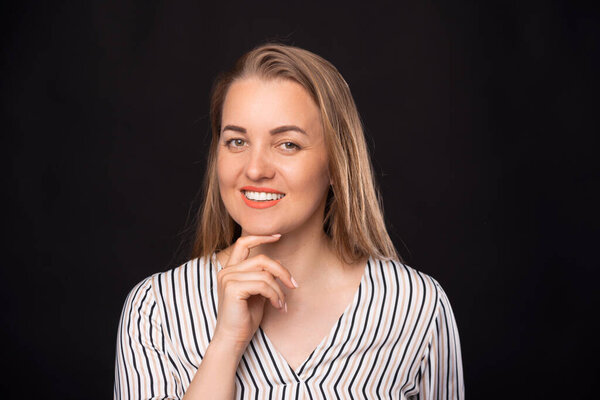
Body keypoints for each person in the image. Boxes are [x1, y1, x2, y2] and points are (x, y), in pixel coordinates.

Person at [114, 43, 464, 400]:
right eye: (236, 141)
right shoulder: (157, 310)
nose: (254, 169)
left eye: (288, 145)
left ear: (336, 164)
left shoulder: (415, 307)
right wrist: (225, 345)